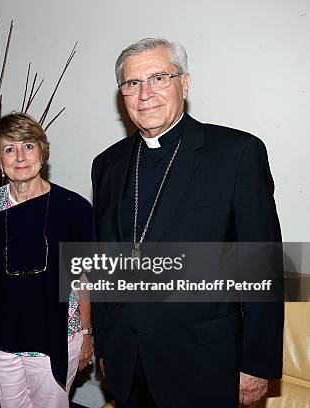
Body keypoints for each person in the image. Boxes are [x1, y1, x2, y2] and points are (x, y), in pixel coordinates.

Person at [91, 38, 283, 407]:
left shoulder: (236, 153)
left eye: (159, 77)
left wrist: (257, 365)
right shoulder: (107, 165)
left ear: (185, 83)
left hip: (203, 363)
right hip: (127, 361)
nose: (145, 93)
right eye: (132, 83)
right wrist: (106, 341)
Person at [0, 112, 93, 407]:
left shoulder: (73, 209)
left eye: (28, 146)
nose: (20, 157)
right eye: (9, 149)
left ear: (42, 151)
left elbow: (83, 277)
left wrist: (87, 332)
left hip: (56, 335)